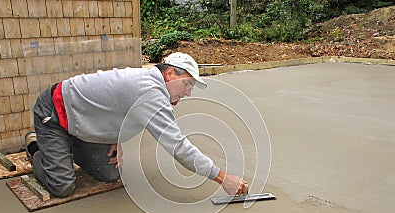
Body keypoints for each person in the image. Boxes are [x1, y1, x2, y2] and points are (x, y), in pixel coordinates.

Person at [26, 52, 248, 198]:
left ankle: (65, 150)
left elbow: (114, 105)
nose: (188, 92)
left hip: (82, 125)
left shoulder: (152, 86)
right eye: (187, 84)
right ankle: (38, 150)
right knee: (62, 187)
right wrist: (222, 178)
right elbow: (178, 146)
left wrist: (116, 137)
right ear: (169, 74)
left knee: (110, 174)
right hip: (55, 114)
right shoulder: (149, 92)